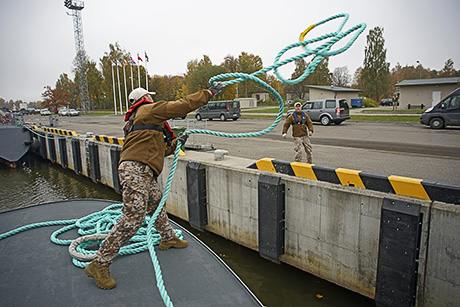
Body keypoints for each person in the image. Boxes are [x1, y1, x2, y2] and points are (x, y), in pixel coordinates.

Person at [84, 82, 226, 290]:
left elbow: (158, 152)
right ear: (144, 99)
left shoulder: (140, 122)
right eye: (149, 97)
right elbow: (180, 105)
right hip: (135, 170)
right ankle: (99, 262)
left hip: (143, 170)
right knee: (133, 218)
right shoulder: (148, 110)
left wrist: (176, 143)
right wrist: (208, 93)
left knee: (156, 205)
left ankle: (167, 238)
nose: (152, 99)